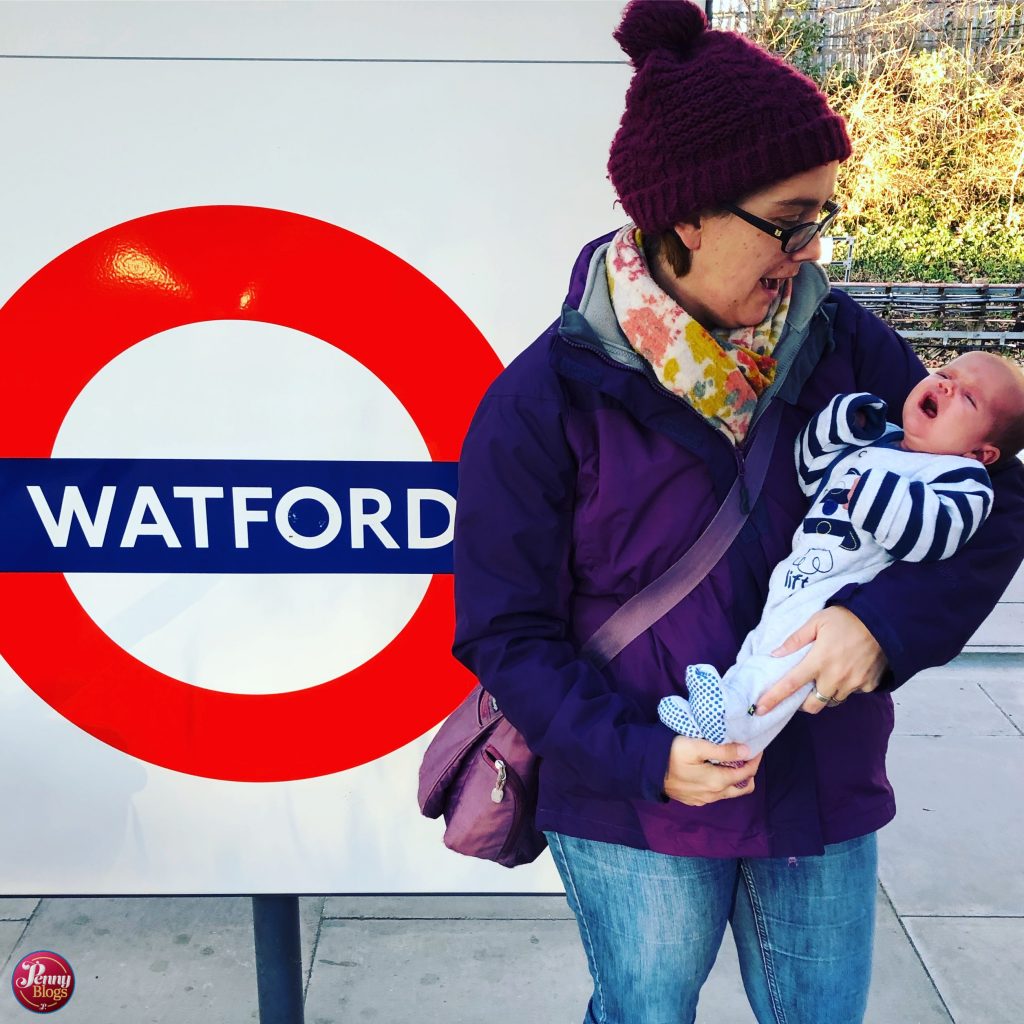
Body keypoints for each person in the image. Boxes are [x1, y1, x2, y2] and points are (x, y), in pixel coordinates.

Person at [451, 2, 1024, 1021]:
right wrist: (644, 757)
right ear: (686, 215)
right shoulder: (543, 397)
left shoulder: (846, 344)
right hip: (634, 795)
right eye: (790, 220)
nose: (809, 250)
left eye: (820, 220)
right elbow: (505, 632)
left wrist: (882, 628)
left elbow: (997, 498)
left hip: (818, 783)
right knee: (645, 1009)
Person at [658, 352, 1024, 757]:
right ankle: (718, 707)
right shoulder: (879, 440)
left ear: (981, 453)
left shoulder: (961, 477)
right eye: (944, 373)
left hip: (839, 588)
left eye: (968, 399)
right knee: (763, 645)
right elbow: (810, 473)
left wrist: (874, 495)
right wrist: (840, 426)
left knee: (789, 663)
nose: (945, 386)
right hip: (799, 572)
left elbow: (936, 535)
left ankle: (734, 729)